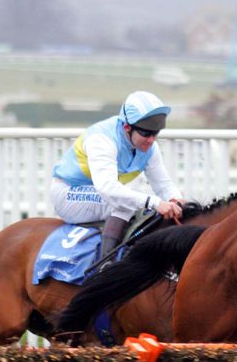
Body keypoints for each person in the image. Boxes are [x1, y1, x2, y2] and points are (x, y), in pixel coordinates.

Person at [50, 91, 184, 260]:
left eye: (155, 134)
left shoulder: (150, 147)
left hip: (97, 194)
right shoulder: (102, 139)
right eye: (146, 134)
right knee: (126, 204)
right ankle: (106, 265)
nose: (151, 140)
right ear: (127, 127)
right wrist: (155, 203)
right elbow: (107, 189)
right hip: (68, 193)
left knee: (138, 203)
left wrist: (176, 200)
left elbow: (163, 185)